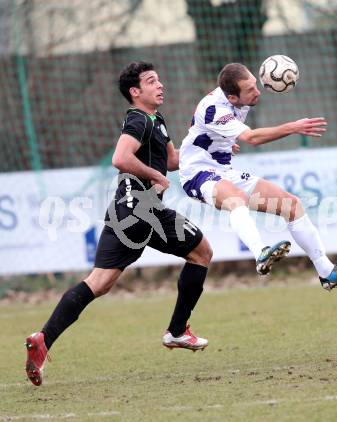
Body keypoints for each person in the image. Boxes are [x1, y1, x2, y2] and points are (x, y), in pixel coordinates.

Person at [25, 61, 212, 387]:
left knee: (99, 282)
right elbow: (120, 158)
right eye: (152, 81)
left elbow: (171, 160)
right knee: (202, 252)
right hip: (143, 208)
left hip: (125, 211)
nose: (160, 85)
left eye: (159, 79)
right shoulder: (138, 119)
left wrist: (210, 150)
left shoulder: (156, 120)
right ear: (135, 92)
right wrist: (155, 177)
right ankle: (178, 330)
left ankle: (43, 339)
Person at [179, 62, 337, 289]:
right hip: (196, 174)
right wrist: (293, 127)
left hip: (222, 170)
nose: (258, 91)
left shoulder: (235, 99)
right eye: (250, 90)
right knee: (235, 198)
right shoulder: (215, 108)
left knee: (291, 205)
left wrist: (222, 143)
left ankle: (327, 272)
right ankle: (261, 254)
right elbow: (252, 138)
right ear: (232, 97)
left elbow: (203, 130)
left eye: (255, 85)